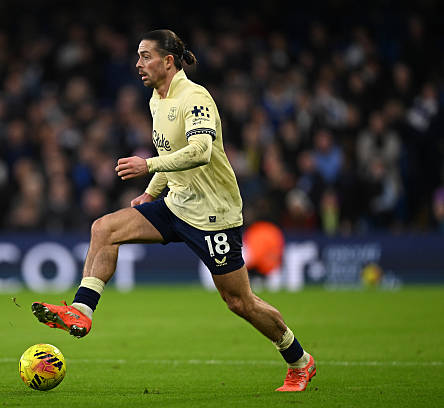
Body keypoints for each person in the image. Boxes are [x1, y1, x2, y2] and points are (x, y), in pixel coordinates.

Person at [32, 29, 316, 392]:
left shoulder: (194, 98)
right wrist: (150, 193)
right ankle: (82, 311)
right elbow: (171, 154)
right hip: (176, 203)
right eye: (137, 56)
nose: (138, 64)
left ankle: (300, 360)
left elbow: (200, 151)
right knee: (104, 228)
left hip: (213, 214)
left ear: (168, 61)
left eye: (145, 56)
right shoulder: (157, 99)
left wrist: (147, 166)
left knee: (239, 302)